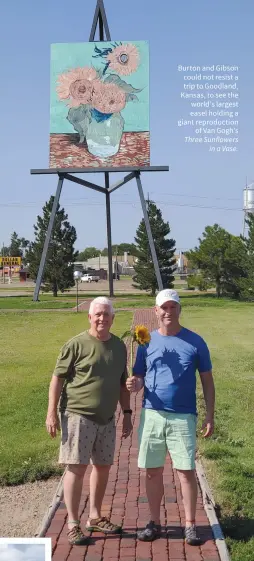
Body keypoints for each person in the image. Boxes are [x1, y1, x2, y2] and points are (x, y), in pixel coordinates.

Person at [126, 288, 215, 545]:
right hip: (152, 414)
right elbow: (140, 375)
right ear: (156, 311)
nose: (168, 312)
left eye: (172, 307)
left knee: (185, 471)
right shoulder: (145, 342)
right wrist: (135, 384)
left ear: (179, 310)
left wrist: (210, 415)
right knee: (152, 472)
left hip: (183, 417)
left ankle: (190, 524)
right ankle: (154, 521)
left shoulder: (195, 342)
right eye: (163, 307)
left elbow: (207, 382)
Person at [46, 296, 132, 546]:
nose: (102, 319)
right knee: (76, 467)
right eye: (98, 314)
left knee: (103, 467)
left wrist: (126, 413)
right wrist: (51, 413)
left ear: (113, 318)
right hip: (77, 415)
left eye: (107, 314)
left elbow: (121, 382)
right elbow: (57, 379)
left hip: (107, 419)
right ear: (90, 317)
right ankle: (73, 523)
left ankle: (94, 516)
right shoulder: (75, 344)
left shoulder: (119, 346)